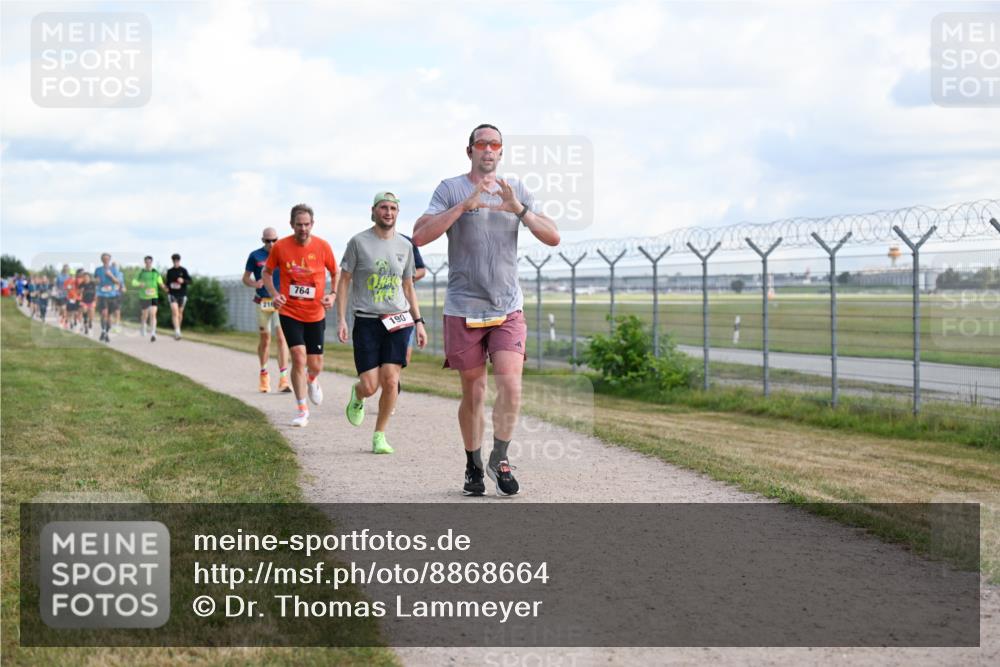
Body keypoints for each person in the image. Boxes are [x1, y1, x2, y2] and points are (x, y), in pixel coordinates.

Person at [412, 123, 560, 497]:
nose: (489, 149)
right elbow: (420, 235)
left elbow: (553, 235)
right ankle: (473, 465)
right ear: (470, 151)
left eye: (495, 144)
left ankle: (501, 457)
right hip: (464, 307)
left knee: (511, 384)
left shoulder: (516, 190)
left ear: (501, 151)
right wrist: (464, 206)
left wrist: (519, 209)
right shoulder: (450, 188)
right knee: (474, 392)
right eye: (482, 143)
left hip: (507, 306)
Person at [337, 192, 426, 454]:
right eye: (383, 208)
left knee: (390, 379)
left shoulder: (405, 246)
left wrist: (418, 322)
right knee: (370, 385)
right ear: (373, 211)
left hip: (398, 320)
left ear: (398, 213)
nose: (388, 212)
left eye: (393, 208)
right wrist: (341, 318)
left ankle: (380, 435)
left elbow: (408, 286)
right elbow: (344, 281)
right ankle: (358, 394)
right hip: (366, 321)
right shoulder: (358, 242)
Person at [262, 204, 338, 427]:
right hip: (289, 311)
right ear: (291, 225)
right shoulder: (281, 247)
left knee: (315, 364)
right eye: (299, 225)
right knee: (297, 356)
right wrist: (274, 294)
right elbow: (266, 273)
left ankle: (312, 379)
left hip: (315, 313)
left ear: (312, 224)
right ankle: (302, 408)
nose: (303, 229)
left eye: (306, 224)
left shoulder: (323, 246)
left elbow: (336, 273)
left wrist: (332, 295)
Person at [243, 228, 292, 393]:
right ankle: (264, 375)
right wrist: (254, 284)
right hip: (262, 301)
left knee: (281, 338)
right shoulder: (255, 256)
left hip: (280, 301)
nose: (271, 244)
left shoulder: (284, 253)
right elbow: (245, 278)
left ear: (278, 239)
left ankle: (283, 379)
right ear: (262, 240)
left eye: (274, 240)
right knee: (265, 339)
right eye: (267, 241)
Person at [132, 255, 166, 342]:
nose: (148, 263)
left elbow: (160, 282)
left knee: (153, 314)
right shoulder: (141, 272)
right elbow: (134, 282)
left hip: (154, 296)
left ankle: (153, 333)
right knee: (144, 315)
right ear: (145, 262)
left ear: (151, 262)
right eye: (146, 262)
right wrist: (139, 284)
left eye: (149, 262)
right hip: (143, 296)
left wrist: (165, 288)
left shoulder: (156, 272)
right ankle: (143, 326)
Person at [94, 253, 124, 342]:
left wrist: (110, 275)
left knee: (109, 316)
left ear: (109, 259)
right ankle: (103, 330)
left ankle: (106, 333)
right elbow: (95, 281)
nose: (106, 260)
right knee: (104, 313)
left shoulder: (114, 269)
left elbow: (118, 282)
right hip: (102, 294)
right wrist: (96, 281)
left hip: (112, 295)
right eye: (104, 258)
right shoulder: (98, 270)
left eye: (107, 258)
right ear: (101, 260)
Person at [165, 254, 192, 340]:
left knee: (180, 313)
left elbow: (190, 281)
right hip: (172, 294)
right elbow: (168, 283)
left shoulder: (183, 270)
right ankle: (177, 332)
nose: (176, 262)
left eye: (177, 260)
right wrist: (167, 287)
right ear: (172, 261)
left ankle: (178, 329)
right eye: (174, 260)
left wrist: (183, 280)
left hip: (182, 294)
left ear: (179, 261)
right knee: (175, 312)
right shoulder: (169, 271)